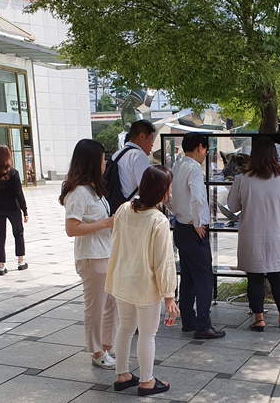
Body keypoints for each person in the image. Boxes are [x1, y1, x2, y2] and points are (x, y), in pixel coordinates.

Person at [105, 166, 179, 396]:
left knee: (125, 328)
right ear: (163, 191)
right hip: (145, 285)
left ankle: (122, 375)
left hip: (121, 279)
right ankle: (147, 381)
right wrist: (169, 295)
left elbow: (117, 243)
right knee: (147, 333)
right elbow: (164, 261)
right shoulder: (158, 220)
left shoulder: (123, 210)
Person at [227, 136, 280, 331]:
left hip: (251, 235)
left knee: (255, 278)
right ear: (275, 156)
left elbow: (232, 207)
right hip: (275, 235)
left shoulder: (243, 179)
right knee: (278, 277)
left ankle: (259, 319)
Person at [59, 139, 117, 369]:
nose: (105, 163)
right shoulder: (78, 192)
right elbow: (71, 229)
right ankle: (97, 350)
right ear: (93, 161)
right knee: (95, 305)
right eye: (103, 158)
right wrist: (104, 224)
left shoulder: (93, 189)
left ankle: (107, 345)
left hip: (105, 252)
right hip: (92, 256)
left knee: (111, 302)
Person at [170, 133, 225, 339]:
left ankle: (188, 320)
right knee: (204, 277)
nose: (205, 154)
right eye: (206, 150)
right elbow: (197, 196)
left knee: (188, 276)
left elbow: (171, 196)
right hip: (193, 228)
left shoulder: (177, 166)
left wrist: (180, 215)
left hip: (181, 227)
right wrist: (198, 221)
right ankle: (203, 324)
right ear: (200, 147)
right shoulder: (193, 168)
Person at [0, 144, 28, 276]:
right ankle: (20, 261)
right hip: (12, 207)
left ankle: (1, 266)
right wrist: (25, 210)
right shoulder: (13, 173)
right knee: (18, 233)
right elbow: (19, 193)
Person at [110, 120, 156, 202]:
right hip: (131, 208)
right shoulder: (138, 155)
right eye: (151, 139)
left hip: (117, 206)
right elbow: (146, 189)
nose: (152, 144)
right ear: (142, 136)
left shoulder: (117, 154)